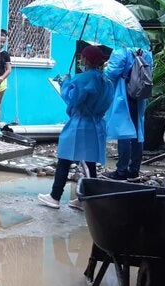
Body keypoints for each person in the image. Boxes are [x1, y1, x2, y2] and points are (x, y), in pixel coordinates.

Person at [37, 45, 114, 209]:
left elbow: (73, 99)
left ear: (85, 59)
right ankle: (85, 199)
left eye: (82, 57)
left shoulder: (83, 79)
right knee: (89, 162)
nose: (80, 59)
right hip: (97, 124)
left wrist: (65, 84)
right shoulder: (106, 81)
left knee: (65, 159)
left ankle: (55, 196)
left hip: (80, 125)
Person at [102, 47, 154, 180]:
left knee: (123, 131)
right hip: (140, 94)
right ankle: (134, 170)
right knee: (137, 132)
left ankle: (121, 171)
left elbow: (111, 73)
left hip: (124, 93)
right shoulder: (146, 51)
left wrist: (106, 67)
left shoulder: (121, 50)